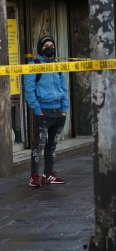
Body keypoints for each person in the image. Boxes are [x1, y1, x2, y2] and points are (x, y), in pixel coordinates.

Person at [24, 36, 69, 187]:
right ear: (40, 48)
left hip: (58, 113)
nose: (49, 48)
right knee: (39, 146)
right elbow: (29, 92)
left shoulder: (58, 65)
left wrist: (64, 109)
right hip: (43, 112)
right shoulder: (33, 65)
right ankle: (34, 176)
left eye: (51, 45)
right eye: (46, 46)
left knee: (52, 146)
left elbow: (64, 88)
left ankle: (49, 174)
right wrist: (37, 110)